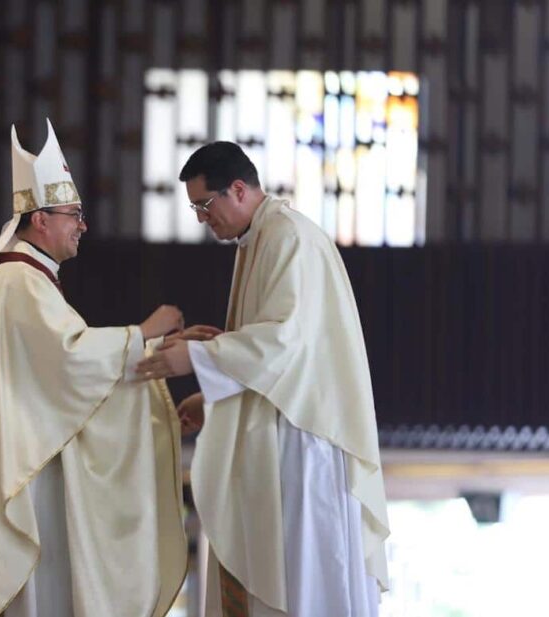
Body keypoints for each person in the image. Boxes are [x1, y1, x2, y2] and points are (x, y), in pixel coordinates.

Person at [138, 142, 390, 616]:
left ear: (237, 189)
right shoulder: (259, 239)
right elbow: (266, 352)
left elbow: (284, 341)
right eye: (194, 208)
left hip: (302, 439)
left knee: (303, 579)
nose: (200, 219)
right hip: (278, 431)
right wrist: (210, 397)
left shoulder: (288, 237)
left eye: (204, 205)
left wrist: (195, 357)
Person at [0, 120, 187, 617]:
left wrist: (163, 350)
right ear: (40, 220)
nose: (82, 225)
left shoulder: (27, 278)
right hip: (29, 469)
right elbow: (72, 359)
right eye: (74, 215)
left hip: (32, 458)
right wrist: (145, 332)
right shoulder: (19, 280)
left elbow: (67, 369)